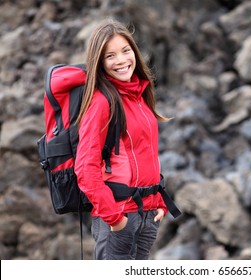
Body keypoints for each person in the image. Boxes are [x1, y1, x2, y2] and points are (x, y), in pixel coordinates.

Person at [74, 18, 170, 260]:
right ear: (100, 63)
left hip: (146, 214)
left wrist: (157, 199)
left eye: (125, 51)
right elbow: (85, 168)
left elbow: (144, 153)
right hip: (119, 217)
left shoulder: (139, 95)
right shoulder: (101, 102)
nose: (121, 60)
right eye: (110, 56)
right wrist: (116, 220)